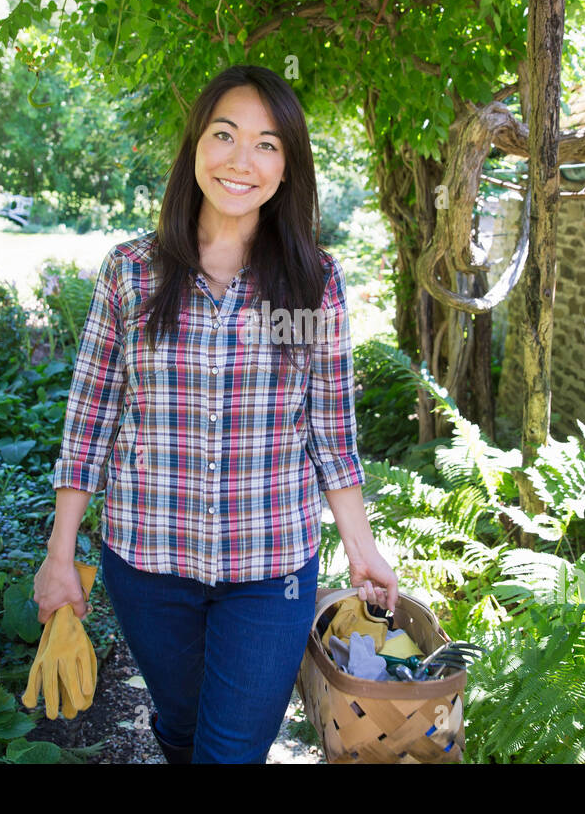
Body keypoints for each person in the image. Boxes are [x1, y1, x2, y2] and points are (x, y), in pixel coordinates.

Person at [33, 64, 397, 764]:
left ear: (287, 167)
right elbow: (91, 419)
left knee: (229, 752)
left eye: (266, 144)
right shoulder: (133, 274)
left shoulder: (307, 283)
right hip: (147, 563)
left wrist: (361, 546)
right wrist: (59, 554)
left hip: (270, 570)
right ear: (195, 145)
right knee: (179, 726)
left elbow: (328, 429)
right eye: (224, 134)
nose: (241, 159)